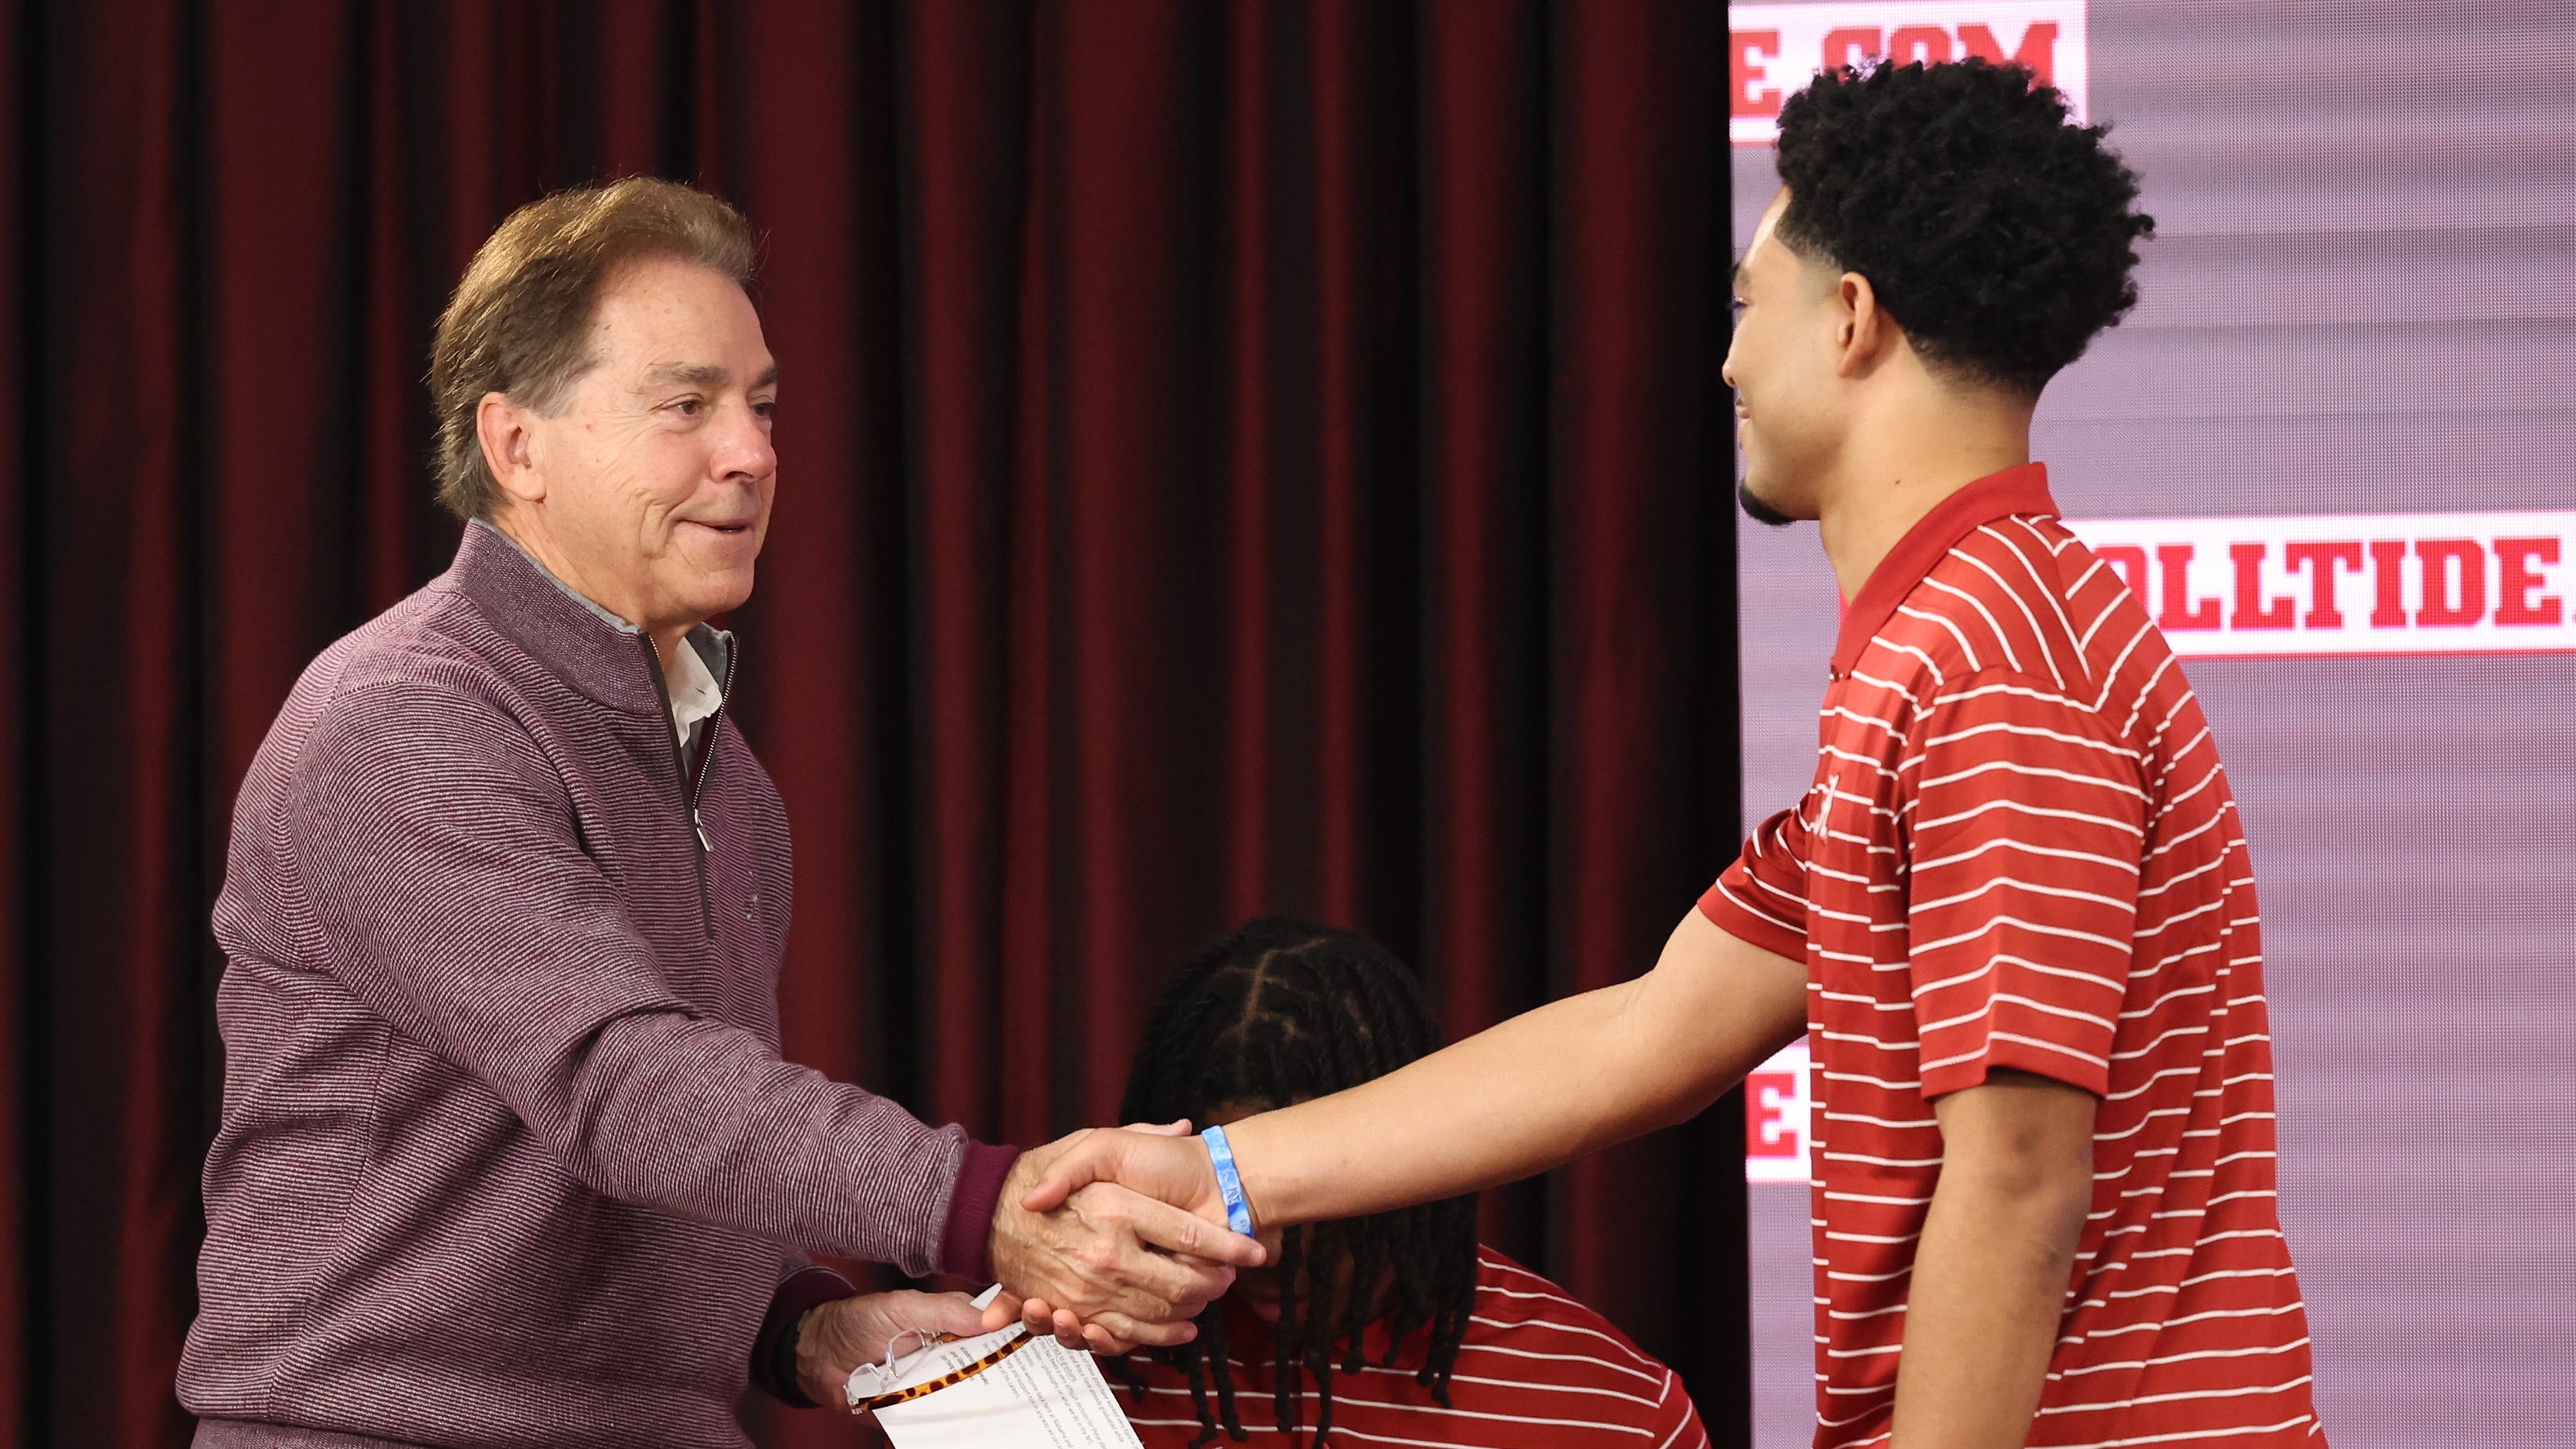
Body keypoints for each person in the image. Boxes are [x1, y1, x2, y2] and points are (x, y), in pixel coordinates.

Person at [1024, 60, 2328, 1449]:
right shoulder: (1958, 641)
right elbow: (1641, 1039)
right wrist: (1214, 1172)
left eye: (1741, 306)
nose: (1722, 363)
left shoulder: (1985, 655)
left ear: (1848, 320)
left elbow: (2014, 1176)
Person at [178, 177, 1253, 1449]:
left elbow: (653, 1161)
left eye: (760, 405)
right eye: (686, 405)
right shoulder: (401, 719)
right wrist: (992, 1202)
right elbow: (623, 1083)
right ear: (516, 445)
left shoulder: (724, 777)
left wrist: (798, 1327)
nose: (749, 452)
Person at [1104, 918, 1709, 1449]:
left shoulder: (1618, 1415)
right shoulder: (1083, 1362)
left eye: (1302, 1191)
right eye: (1219, 1188)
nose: (1266, 1249)